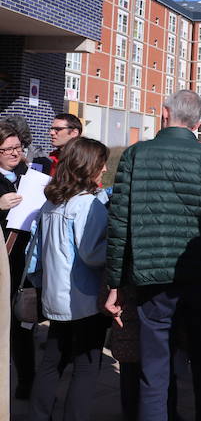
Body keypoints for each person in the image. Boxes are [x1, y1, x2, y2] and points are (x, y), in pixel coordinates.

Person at [104, 90, 201, 420]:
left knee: (153, 371)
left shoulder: (135, 155)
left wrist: (115, 284)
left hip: (152, 281)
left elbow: (119, 224)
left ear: (165, 114)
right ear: (198, 123)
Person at [26, 137, 110, 420]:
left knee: (52, 361)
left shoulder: (52, 202)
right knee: (86, 365)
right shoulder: (88, 204)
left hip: (55, 296)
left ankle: (38, 415)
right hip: (84, 299)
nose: (106, 169)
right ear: (88, 166)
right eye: (101, 163)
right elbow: (92, 253)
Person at [0, 122, 35, 400]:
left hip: (26, 261)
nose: (15, 153)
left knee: (23, 321)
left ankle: (27, 381)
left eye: (18, 148)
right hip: (2, 261)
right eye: (8, 149)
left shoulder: (29, 174)